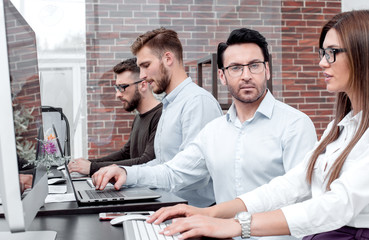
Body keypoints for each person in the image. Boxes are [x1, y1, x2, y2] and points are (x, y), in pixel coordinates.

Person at [148, 10, 369, 240]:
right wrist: (209, 213)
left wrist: (236, 225)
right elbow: (289, 185)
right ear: (222, 76)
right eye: (323, 53)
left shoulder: (296, 123)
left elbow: (336, 205)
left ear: (363, 54)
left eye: (332, 53)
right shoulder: (340, 127)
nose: (322, 63)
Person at [92, 26, 317, 220]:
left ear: (267, 70)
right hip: (220, 232)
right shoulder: (214, 132)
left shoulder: (295, 125)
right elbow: (174, 172)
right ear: (222, 76)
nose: (246, 75)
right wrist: (126, 173)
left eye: (254, 65)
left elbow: (300, 196)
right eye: (236, 68)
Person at [93, 28, 223, 207]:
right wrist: (121, 171)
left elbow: (192, 173)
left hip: (193, 214)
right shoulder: (170, 105)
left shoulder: (197, 102)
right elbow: (162, 163)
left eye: (145, 65)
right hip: (169, 205)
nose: (143, 76)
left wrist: (130, 174)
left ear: (168, 59)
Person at [68, 58, 162, 176]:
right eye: (117, 88)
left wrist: (93, 167)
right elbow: (125, 153)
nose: (118, 94)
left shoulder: (161, 116)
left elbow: (146, 161)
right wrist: (87, 163)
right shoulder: (139, 117)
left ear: (143, 85)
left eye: (122, 87)